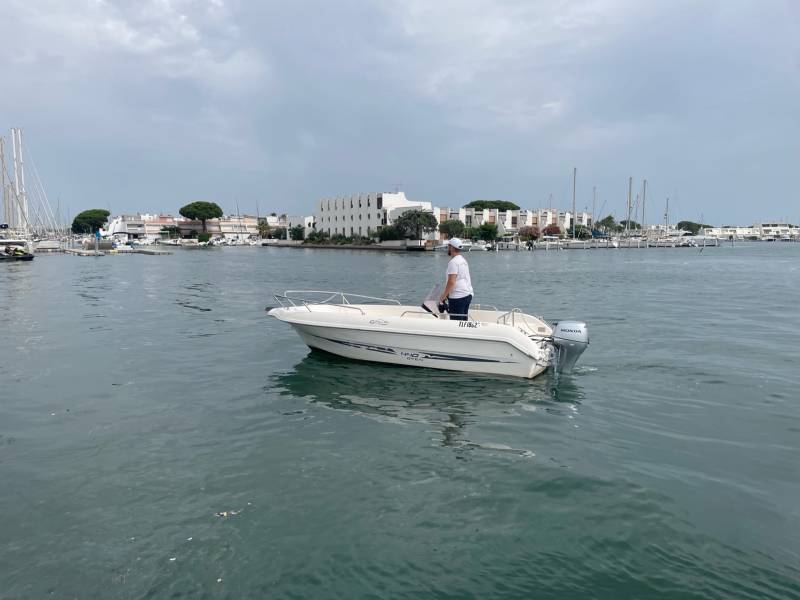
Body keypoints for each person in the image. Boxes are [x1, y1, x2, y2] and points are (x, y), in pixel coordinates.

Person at [439, 237, 473, 320]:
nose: (448, 248)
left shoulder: (453, 262)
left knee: (456, 323)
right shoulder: (463, 260)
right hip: (467, 294)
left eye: (448, 246)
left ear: (451, 247)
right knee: (463, 322)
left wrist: (443, 296)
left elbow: (451, 282)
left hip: (458, 297)